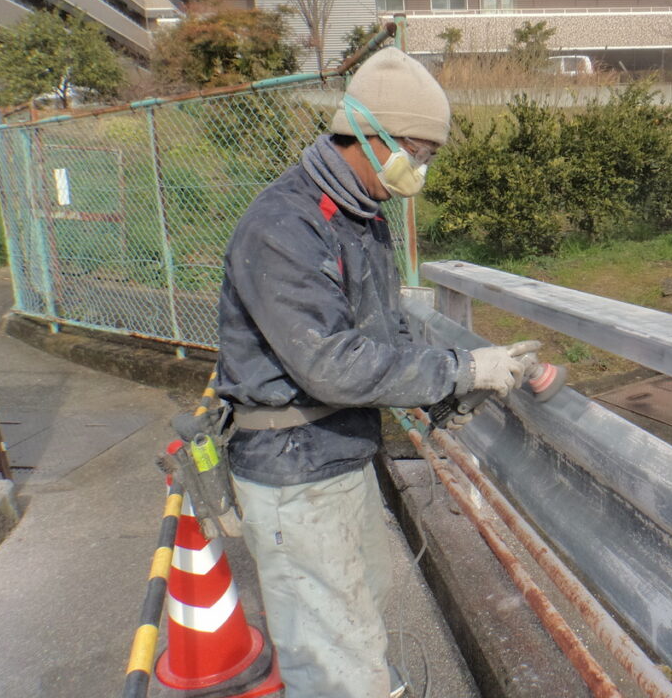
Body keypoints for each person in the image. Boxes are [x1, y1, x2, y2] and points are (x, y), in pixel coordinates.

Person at [215, 47, 538, 698]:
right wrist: (460, 369)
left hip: (339, 454)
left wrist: (448, 390)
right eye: (417, 151)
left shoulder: (360, 214)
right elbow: (332, 363)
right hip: (293, 470)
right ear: (367, 133)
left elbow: (384, 330)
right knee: (334, 662)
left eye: (428, 157)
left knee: (358, 619)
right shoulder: (283, 227)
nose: (419, 168)